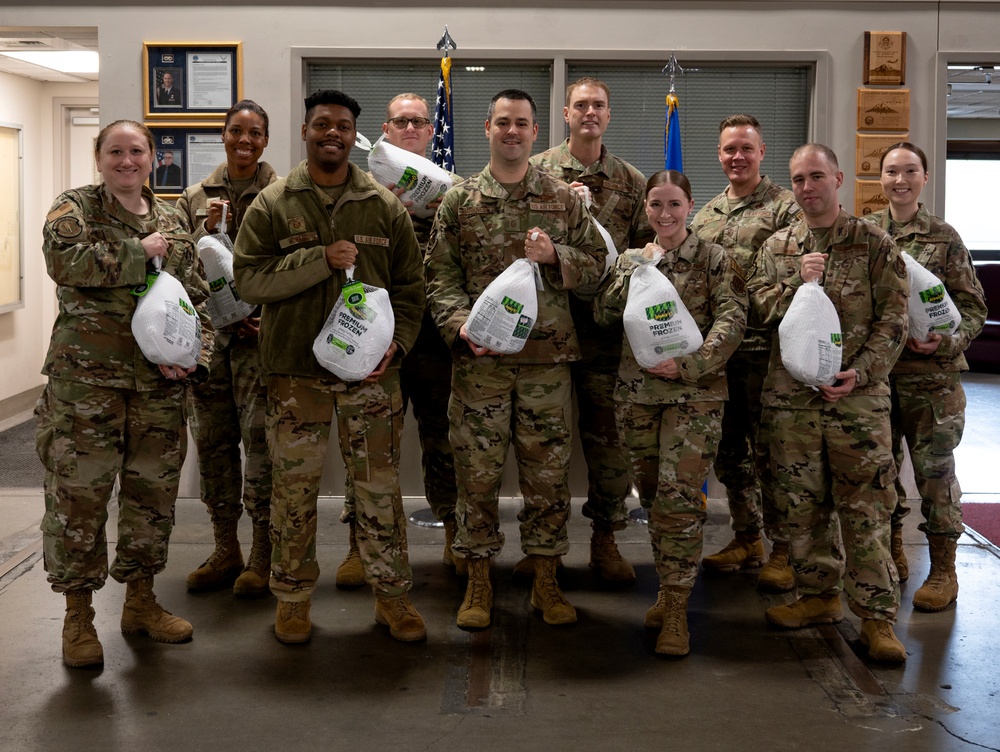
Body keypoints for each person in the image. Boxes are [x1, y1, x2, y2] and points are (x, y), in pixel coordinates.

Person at [232, 89, 427, 644]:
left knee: (378, 491)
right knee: (293, 492)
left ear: (355, 135)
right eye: (322, 125)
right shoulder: (275, 203)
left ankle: (392, 596)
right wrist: (319, 259)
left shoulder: (383, 205)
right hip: (296, 376)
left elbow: (412, 288)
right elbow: (249, 280)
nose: (332, 134)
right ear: (306, 131)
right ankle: (292, 599)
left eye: (343, 125)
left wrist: (401, 344)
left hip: (371, 376)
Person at [37, 119, 214, 668]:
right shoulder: (75, 209)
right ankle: (78, 616)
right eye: (115, 151)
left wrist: (195, 358)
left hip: (157, 390)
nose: (127, 161)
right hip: (85, 388)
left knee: (151, 500)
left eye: (137, 151)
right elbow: (63, 262)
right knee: (79, 499)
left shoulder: (173, 219)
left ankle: (140, 601)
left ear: (153, 159)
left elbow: (199, 301)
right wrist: (139, 252)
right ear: (99, 156)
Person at [425, 89, 605, 629]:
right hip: (480, 364)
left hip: (546, 364)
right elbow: (440, 277)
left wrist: (558, 256)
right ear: (487, 127)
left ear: (534, 131)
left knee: (548, 477)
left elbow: (599, 267)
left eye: (522, 124)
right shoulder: (460, 201)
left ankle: (546, 580)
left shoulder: (562, 198)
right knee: (475, 474)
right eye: (502, 122)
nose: (512, 131)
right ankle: (479, 580)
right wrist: (460, 328)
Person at [749, 144, 909, 663]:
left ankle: (878, 620)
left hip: (857, 403)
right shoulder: (777, 246)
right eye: (798, 179)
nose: (807, 187)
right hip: (792, 402)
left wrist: (860, 371)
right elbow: (759, 306)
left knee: (866, 509)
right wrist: (797, 279)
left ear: (838, 178)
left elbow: (894, 321)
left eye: (816, 176)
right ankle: (819, 596)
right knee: (802, 508)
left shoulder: (874, 242)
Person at [594, 170, 747, 656]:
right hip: (637, 396)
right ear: (645, 209)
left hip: (694, 396)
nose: (665, 214)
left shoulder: (714, 258)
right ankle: (667, 588)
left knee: (680, 500)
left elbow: (733, 317)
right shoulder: (631, 259)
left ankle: (677, 608)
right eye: (656, 205)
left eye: (675, 205)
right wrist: (637, 268)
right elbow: (603, 313)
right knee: (656, 497)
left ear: (689, 206)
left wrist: (690, 365)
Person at [529, 76, 654, 584]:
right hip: (547, 331)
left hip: (607, 335)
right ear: (565, 113)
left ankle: (606, 540)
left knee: (610, 446)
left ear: (609, 114)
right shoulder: (536, 173)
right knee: (545, 444)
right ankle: (545, 550)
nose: (589, 113)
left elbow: (651, 257)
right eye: (581, 105)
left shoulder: (631, 181)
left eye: (598, 105)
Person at [335, 92, 460, 588]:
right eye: (400, 121)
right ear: (385, 130)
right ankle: (359, 546)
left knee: (444, 440)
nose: (411, 128)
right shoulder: (359, 190)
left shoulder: (453, 191)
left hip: (435, 339)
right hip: (376, 338)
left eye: (419, 122)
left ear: (432, 131)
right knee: (369, 444)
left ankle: (453, 531)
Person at [862, 142, 986, 611]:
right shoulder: (867, 232)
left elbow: (972, 308)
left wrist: (947, 342)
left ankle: (943, 570)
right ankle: (893, 551)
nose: (900, 180)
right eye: (891, 171)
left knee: (935, 476)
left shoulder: (944, 236)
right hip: (879, 378)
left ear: (925, 177)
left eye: (910, 171)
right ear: (881, 179)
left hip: (932, 382)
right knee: (881, 473)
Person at [689, 115, 801, 592]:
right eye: (729, 149)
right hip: (720, 354)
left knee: (774, 455)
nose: (738, 157)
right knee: (730, 452)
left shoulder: (786, 209)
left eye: (746, 149)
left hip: (768, 351)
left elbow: (797, 279)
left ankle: (785, 549)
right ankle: (747, 536)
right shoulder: (705, 214)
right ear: (719, 154)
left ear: (762, 152)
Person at [175, 100, 279, 597]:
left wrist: (270, 317)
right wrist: (203, 229)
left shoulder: (283, 194)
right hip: (211, 346)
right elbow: (174, 268)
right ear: (223, 135)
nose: (245, 140)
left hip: (261, 346)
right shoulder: (194, 196)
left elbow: (296, 263)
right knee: (214, 446)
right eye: (236, 131)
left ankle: (262, 551)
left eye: (254, 133)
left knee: (261, 447)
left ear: (265, 139)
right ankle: (224, 547)